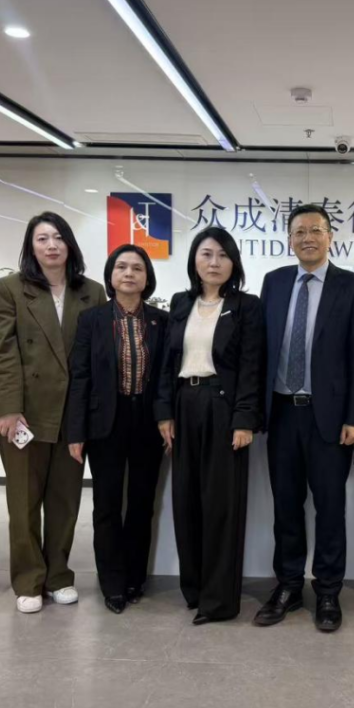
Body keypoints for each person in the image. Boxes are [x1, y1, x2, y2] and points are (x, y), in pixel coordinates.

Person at [255, 204, 354, 632]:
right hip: (282, 413)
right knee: (285, 506)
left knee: (330, 508)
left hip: (330, 419)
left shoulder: (352, 287)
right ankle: (288, 585)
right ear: (290, 239)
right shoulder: (274, 282)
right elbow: (262, 350)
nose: (308, 238)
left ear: (329, 237)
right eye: (300, 231)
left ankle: (327, 591)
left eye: (316, 230)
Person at [0, 211, 107, 614]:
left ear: (70, 243)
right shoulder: (10, 288)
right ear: (31, 247)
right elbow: (3, 352)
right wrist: (8, 407)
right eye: (42, 238)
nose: (52, 245)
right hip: (26, 414)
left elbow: (97, 358)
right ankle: (28, 580)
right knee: (23, 503)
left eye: (58, 237)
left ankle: (58, 576)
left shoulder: (92, 291)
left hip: (73, 416)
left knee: (65, 501)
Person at [155, 227, 263, 626]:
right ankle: (195, 588)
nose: (214, 262)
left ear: (233, 262)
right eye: (206, 254)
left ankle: (218, 601)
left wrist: (244, 418)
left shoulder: (246, 306)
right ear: (194, 261)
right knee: (186, 501)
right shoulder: (181, 303)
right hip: (184, 405)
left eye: (222, 255)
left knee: (221, 506)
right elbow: (167, 363)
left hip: (224, 408)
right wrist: (164, 414)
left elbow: (252, 366)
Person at [67, 244, 168, 615]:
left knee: (142, 503)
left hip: (147, 421)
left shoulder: (161, 320)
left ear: (147, 277)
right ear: (111, 275)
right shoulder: (92, 320)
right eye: (122, 267)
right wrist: (76, 431)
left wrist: (165, 417)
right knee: (107, 506)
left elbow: (165, 376)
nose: (129, 274)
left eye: (137, 268)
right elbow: (80, 376)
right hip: (104, 422)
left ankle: (135, 577)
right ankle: (111, 582)